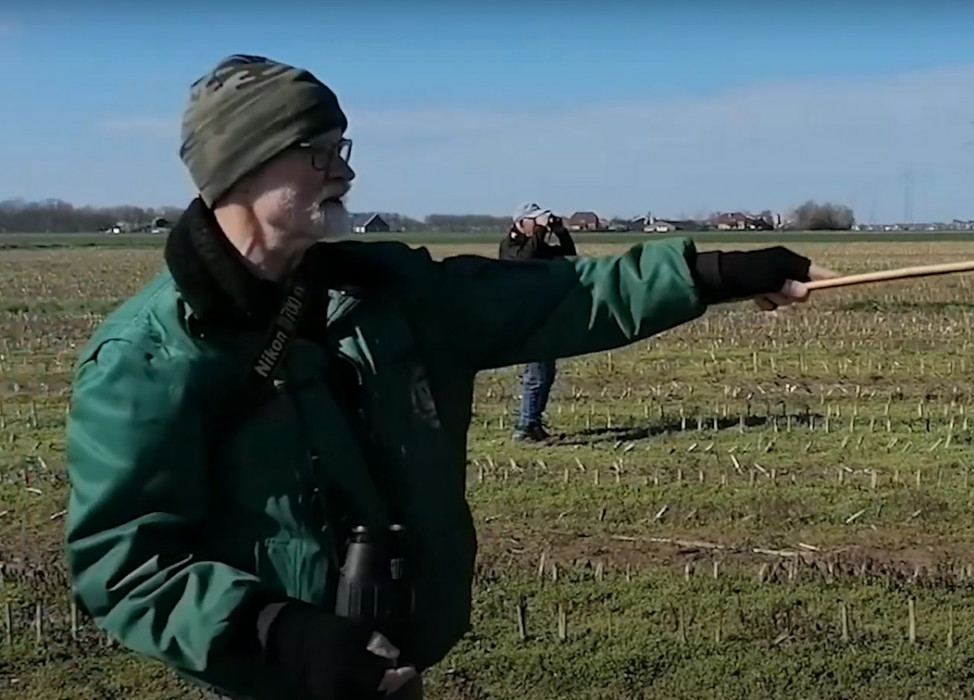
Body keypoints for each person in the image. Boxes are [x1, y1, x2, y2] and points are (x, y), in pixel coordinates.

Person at [61, 54, 832, 700]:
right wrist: (283, 634)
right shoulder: (151, 356)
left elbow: (570, 297)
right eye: (318, 151)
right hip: (284, 676)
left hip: (402, 655)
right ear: (242, 167)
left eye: (344, 147)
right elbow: (124, 563)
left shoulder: (393, 294)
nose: (345, 171)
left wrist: (718, 271)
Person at [497, 202, 576, 441]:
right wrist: (540, 232)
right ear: (521, 223)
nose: (539, 225)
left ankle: (532, 424)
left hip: (542, 316)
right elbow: (524, 260)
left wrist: (560, 231)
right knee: (536, 375)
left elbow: (568, 254)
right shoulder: (510, 246)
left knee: (545, 373)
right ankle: (525, 427)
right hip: (525, 320)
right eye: (534, 221)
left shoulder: (537, 245)